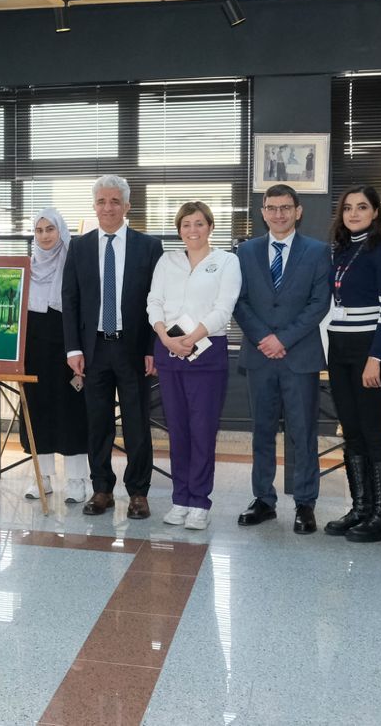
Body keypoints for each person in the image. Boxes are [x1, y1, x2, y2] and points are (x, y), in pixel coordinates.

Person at [61, 175, 163, 519]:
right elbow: (70, 299)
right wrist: (73, 349)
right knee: (97, 422)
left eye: (115, 201)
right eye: (102, 201)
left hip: (133, 349)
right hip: (93, 350)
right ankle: (102, 489)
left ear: (127, 206)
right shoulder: (80, 247)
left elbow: (158, 301)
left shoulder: (149, 247)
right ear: (94, 206)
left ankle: (138, 492)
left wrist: (152, 348)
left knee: (137, 424)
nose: (108, 207)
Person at [233, 184, 332, 534]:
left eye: (285, 207)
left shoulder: (318, 251)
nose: (279, 214)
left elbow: (319, 303)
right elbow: (238, 300)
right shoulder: (245, 251)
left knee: (303, 433)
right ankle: (263, 499)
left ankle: (305, 503)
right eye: (272, 208)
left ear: (298, 211)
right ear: (263, 212)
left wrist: (283, 339)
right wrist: (264, 338)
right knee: (261, 431)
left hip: (299, 356)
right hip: (260, 355)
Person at [147, 201, 241, 530]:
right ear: (179, 230)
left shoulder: (226, 261)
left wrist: (192, 337)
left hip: (207, 352)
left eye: (199, 223)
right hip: (169, 351)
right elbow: (154, 302)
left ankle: (199, 501)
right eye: (186, 224)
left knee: (202, 430)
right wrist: (165, 337)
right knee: (177, 430)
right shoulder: (167, 261)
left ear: (210, 227)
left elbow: (223, 308)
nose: (193, 230)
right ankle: (180, 499)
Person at [322, 185, 381, 542]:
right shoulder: (340, 251)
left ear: (375, 212)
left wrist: (376, 359)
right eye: (348, 208)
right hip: (339, 349)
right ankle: (360, 508)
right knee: (351, 431)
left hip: (370, 351)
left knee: (373, 431)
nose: (354, 214)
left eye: (362, 207)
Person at [20, 209, 88, 503]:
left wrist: (79, 349)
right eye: (39, 230)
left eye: (50, 229)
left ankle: (76, 480)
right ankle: (42, 477)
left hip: (68, 350)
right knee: (37, 411)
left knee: (72, 411)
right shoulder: (27, 267)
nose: (45, 235)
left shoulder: (75, 264)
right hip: (33, 350)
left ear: (61, 231)